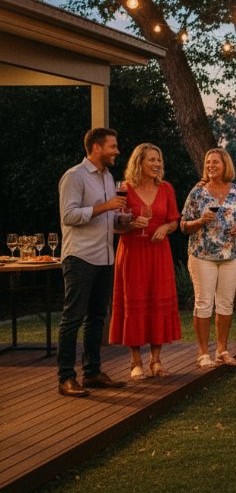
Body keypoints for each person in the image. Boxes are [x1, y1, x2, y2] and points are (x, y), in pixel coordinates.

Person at [56, 127, 128, 397]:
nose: (117, 151)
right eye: (113, 146)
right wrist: (106, 207)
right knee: (72, 317)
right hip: (80, 256)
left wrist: (121, 221)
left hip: (105, 256)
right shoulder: (74, 176)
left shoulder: (109, 177)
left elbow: (108, 217)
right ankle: (65, 378)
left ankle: (93, 373)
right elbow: (69, 216)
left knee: (97, 318)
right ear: (97, 148)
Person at [109, 143, 182, 380]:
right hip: (132, 252)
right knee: (135, 303)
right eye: (151, 159)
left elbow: (174, 221)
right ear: (138, 162)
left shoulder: (167, 188)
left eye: (159, 160)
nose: (156, 164)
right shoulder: (124, 189)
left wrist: (164, 227)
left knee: (157, 303)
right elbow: (115, 225)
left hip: (158, 252)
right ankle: (135, 361)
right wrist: (130, 224)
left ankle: (156, 361)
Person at [180, 148, 236, 369]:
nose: (210, 165)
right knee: (203, 303)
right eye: (208, 162)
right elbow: (183, 226)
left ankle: (222, 350)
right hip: (203, 255)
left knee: (226, 303)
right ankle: (203, 354)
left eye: (215, 162)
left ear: (225, 165)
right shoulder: (198, 192)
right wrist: (200, 221)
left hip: (230, 254)